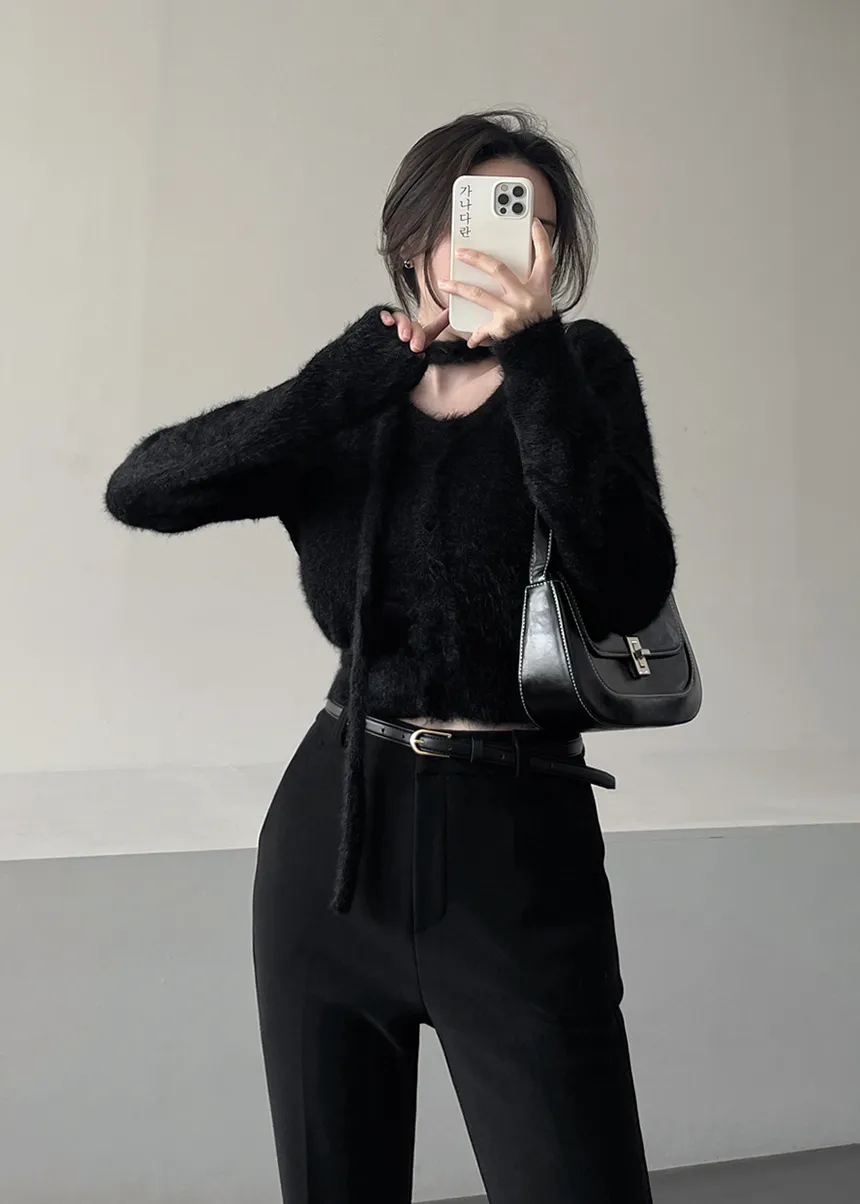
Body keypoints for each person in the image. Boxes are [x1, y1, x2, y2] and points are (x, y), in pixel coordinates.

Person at [105, 108, 675, 1204]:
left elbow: (629, 584)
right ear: (415, 237)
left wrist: (535, 359)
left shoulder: (580, 369)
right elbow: (144, 489)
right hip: (333, 840)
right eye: (478, 218)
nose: (506, 244)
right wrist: (339, 381)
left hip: (516, 845)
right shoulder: (357, 398)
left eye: (532, 223)